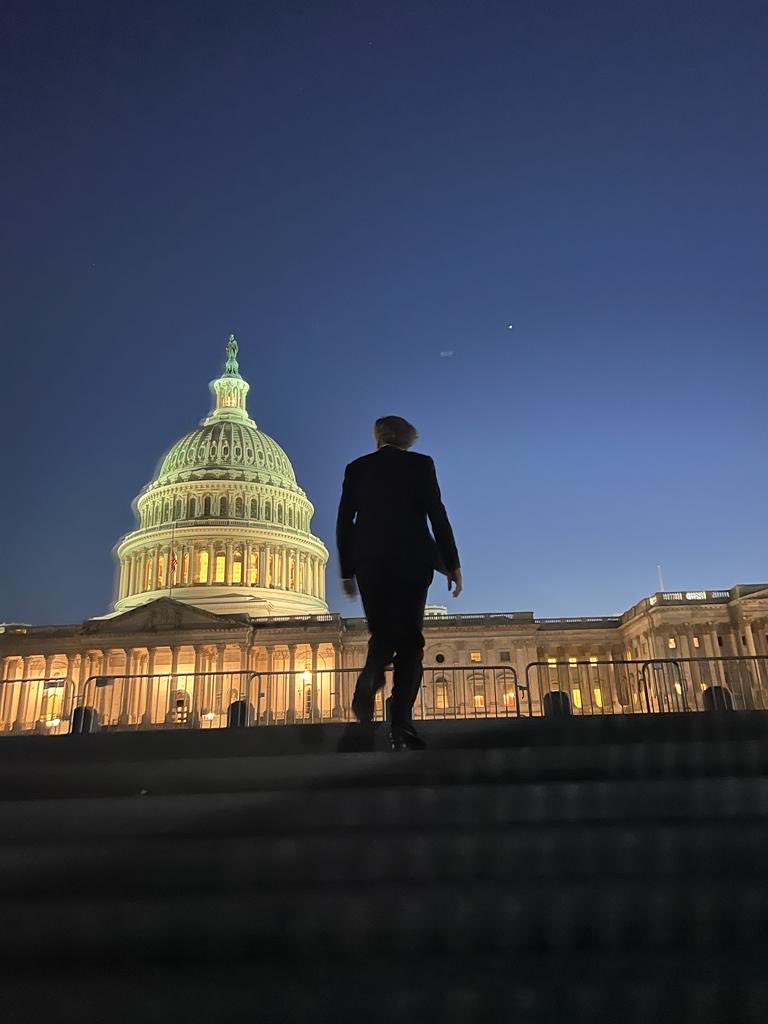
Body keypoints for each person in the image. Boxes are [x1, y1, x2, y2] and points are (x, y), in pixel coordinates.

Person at [336, 415, 462, 750]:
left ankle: (369, 681)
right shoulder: (421, 465)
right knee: (410, 644)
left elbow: (344, 521)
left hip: (371, 564)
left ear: (378, 438)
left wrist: (347, 570)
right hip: (412, 561)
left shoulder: (357, 468)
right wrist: (452, 564)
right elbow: (438, 516)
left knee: (383, 634)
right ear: (408, 440)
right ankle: (401, 725)